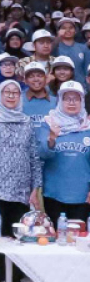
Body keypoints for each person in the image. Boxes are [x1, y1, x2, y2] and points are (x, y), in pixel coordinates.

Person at [0, 79, 42, 282]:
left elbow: (34, 156)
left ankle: (14, 278)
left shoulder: (27, 122)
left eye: (15, 92)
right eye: (7, 92)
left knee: (17, 237)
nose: (11, 96)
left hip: (20, 188)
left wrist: (35, 188)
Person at [35, 82, 90, 223]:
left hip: (82, 195)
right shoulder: (48, 123)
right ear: (60, 100)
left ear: (82, 101)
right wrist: (52, 138)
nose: (71, 102)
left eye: (76, 98)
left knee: (79, 235)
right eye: (67, 98)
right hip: (53, 193)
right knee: (55, 234)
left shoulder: (87, 126)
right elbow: (42, 154)